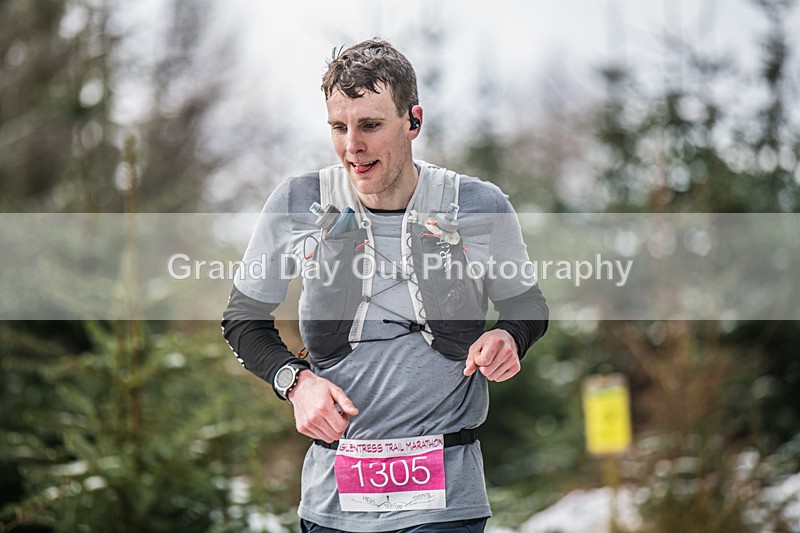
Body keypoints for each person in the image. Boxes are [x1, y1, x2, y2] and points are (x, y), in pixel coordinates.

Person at [222, 38, 548, 533]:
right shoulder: (299, 201)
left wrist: (509, 336)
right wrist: (296, 383)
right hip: (333, 500)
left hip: (445, 500)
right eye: (339, 126)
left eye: (370, 125)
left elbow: (527, 305)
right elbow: (242, 320)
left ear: (413, 121)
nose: (353, 145)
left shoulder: (479, 205)